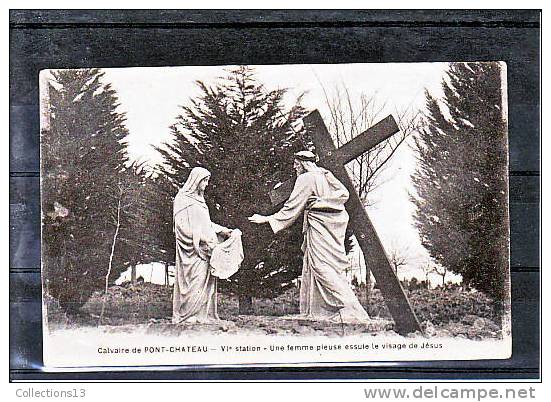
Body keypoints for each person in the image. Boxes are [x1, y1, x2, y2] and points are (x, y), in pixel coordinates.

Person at [248, 151, 370, 323]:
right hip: (333, 224)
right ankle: (320, 310)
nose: (294, 167)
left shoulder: (306, 178)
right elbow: (343, 194)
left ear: (303, 163)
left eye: (296, 164)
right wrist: (324, 202)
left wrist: (267, 219)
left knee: (320, 265)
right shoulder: (326, 175)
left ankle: (349, 307)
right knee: (321, 266)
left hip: (321, 226)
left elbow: (291, 207)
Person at [172, 167, 233, 324]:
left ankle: (203, 315)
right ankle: (188, 315)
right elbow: (180, 226)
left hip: (206, 250)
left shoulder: (200, 201)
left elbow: (206, 223)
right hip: (192, 250)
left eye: (207, 181)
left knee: (205, 282)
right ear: (195, 180)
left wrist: (222, 230)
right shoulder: (182, 199)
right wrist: (200, 239)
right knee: (194, 281)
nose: (206, 184)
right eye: (204, 181)